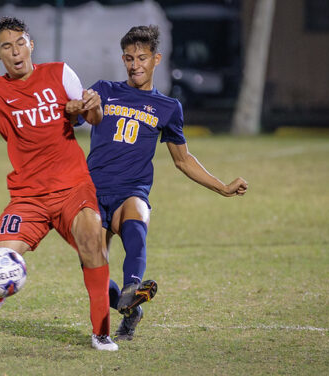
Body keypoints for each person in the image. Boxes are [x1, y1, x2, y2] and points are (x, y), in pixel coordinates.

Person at [0, 17, 118, 351]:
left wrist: (92, 106)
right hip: (28, 197)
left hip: (73, 188)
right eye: (6, 46)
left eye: (20, 42)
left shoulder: (60, 73)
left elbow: (92, 119)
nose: (15, 51)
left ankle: (101, 332)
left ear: (31, 44)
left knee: (93, 243)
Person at [72, 25, 248, 341]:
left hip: (131, 189)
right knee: (93, 269)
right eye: (128, 58)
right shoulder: (104, 89)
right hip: (92, 190)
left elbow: (183, 160)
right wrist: (75, 108)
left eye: (141, 58)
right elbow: (72, 118)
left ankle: (133, 285)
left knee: (137, 213)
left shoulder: (168, 108)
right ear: (123, 59)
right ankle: (130, 306)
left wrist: (221, 187)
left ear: (156, 59)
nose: (134, 64)